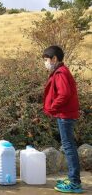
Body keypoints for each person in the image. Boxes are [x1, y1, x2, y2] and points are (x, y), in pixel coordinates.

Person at [42, 45, 83, 193]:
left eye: (46, 59)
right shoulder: (60, 71)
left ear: (54, 59)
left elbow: (64, 94)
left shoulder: (60, 73)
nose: (45, 63)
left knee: (69, 147)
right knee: (69, 146)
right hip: (65, 114)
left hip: (65, 115)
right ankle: (73, 179)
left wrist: (52, 107)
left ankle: (74, 183)